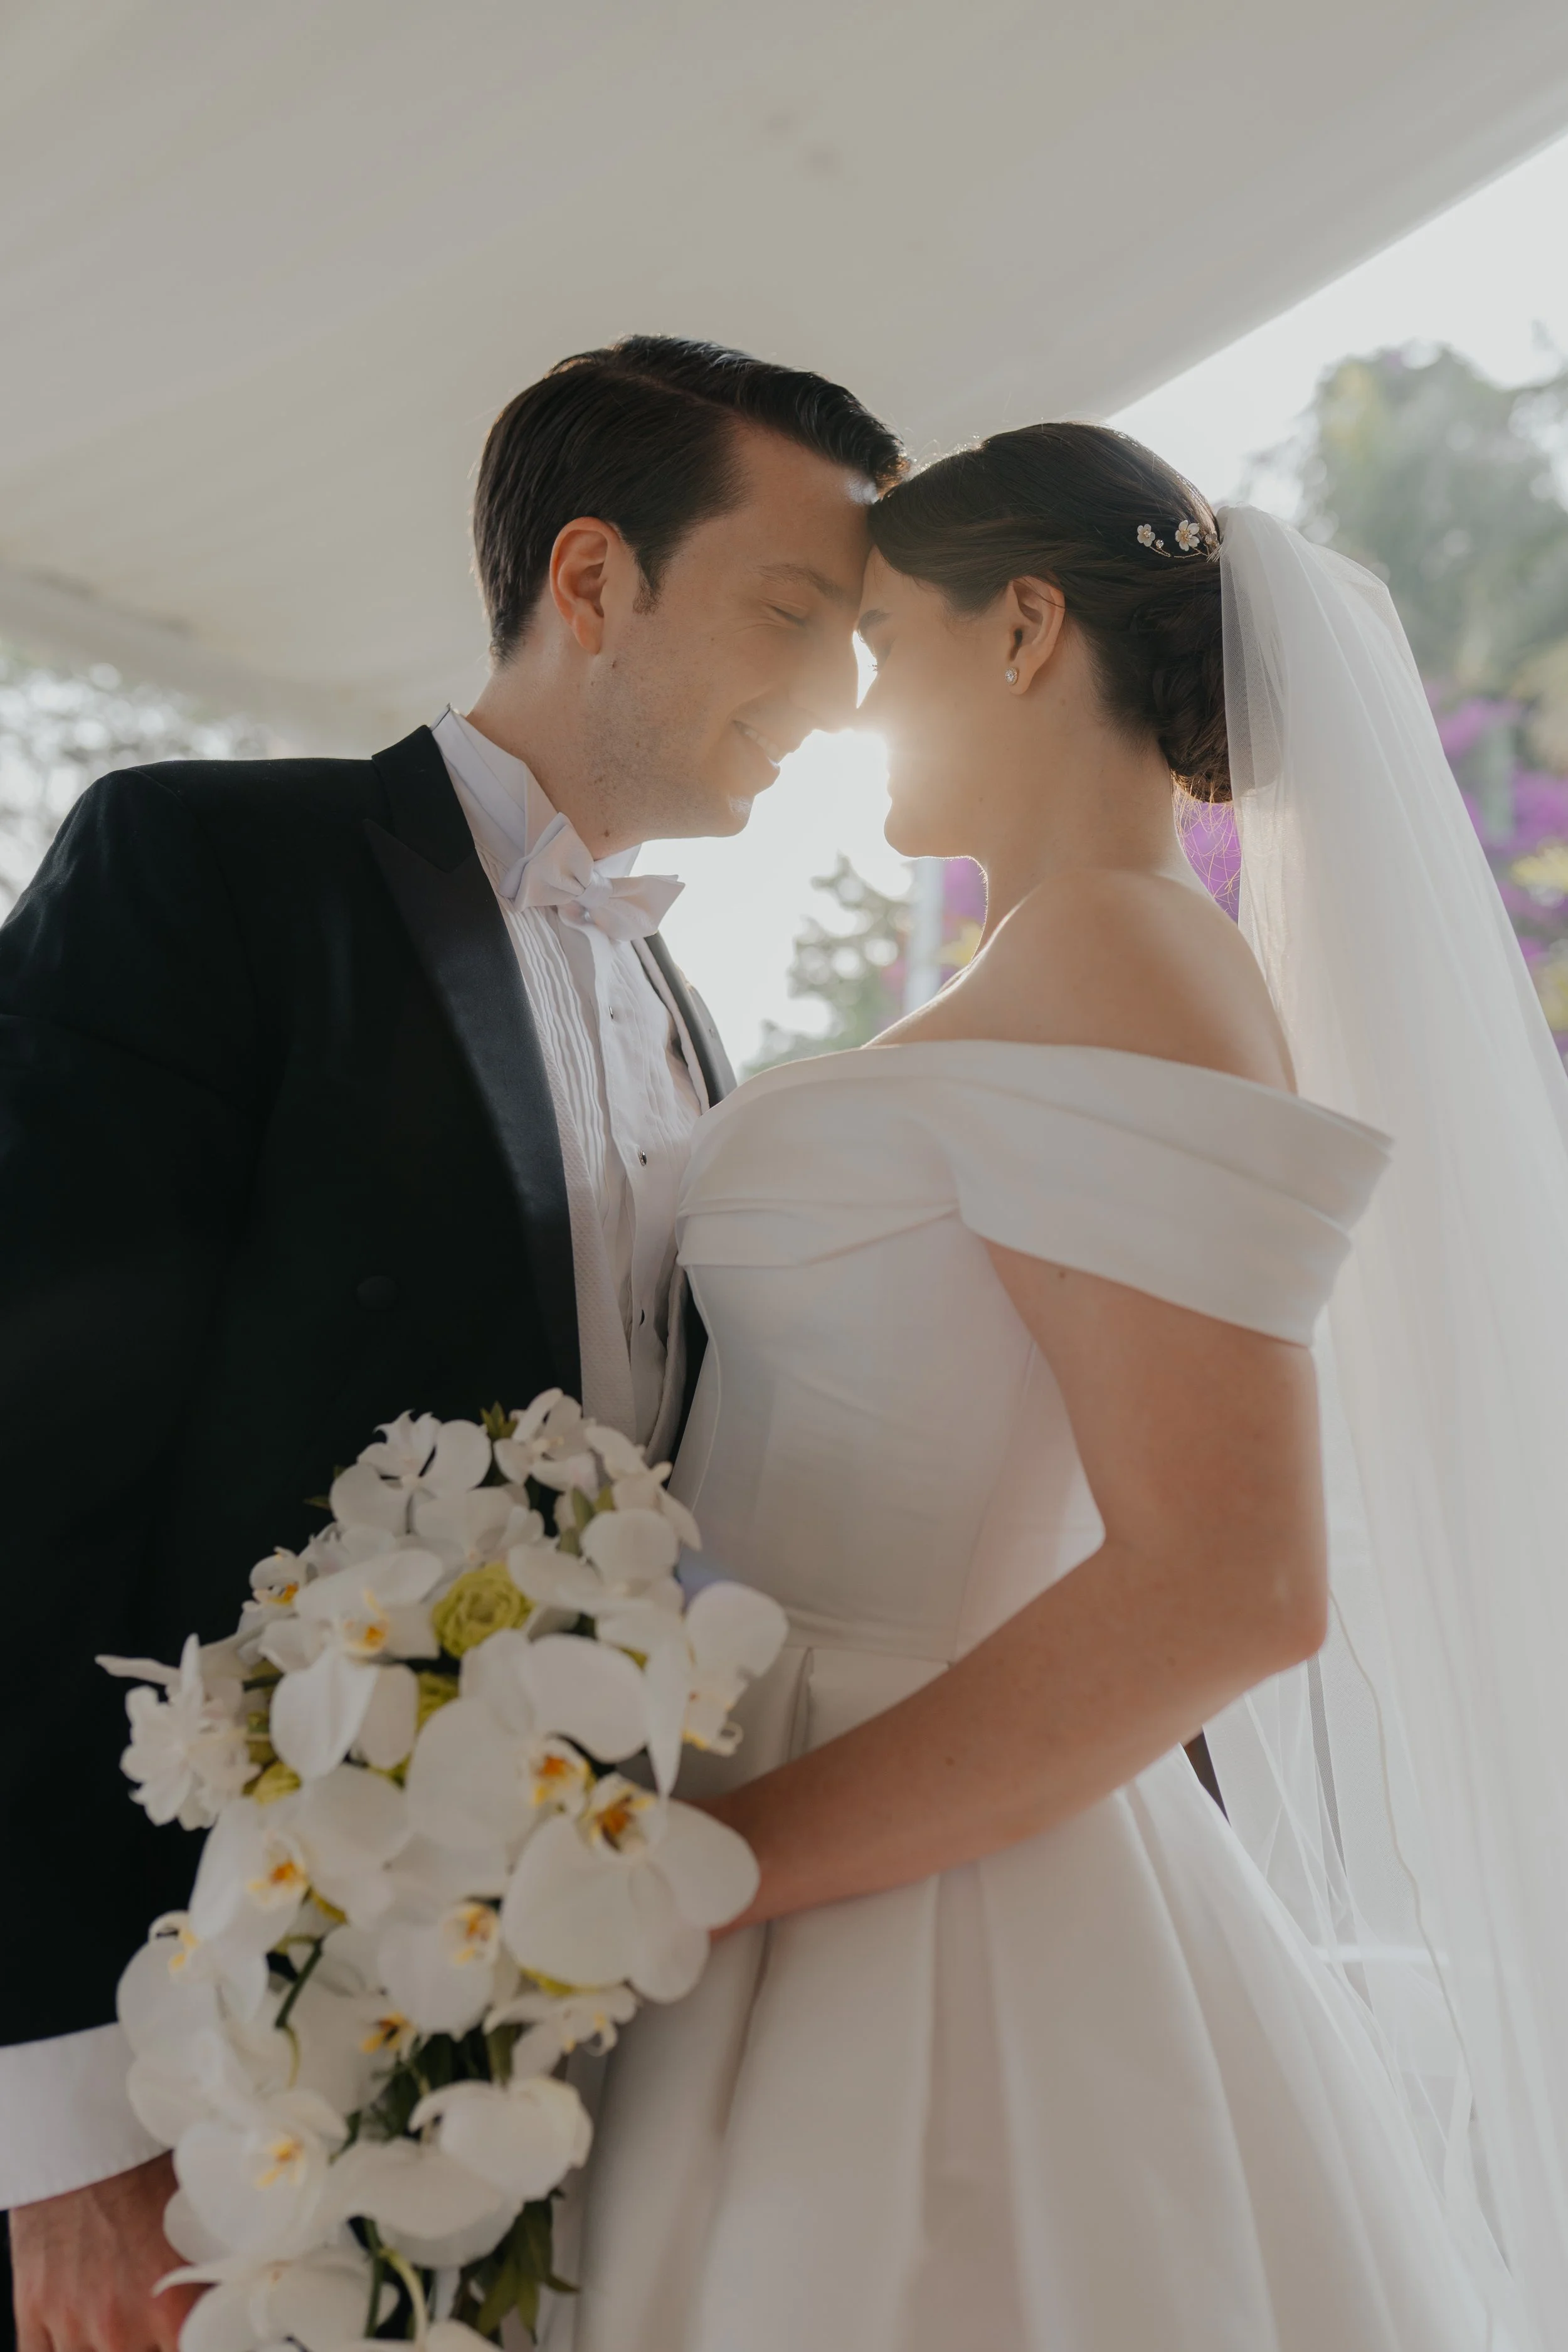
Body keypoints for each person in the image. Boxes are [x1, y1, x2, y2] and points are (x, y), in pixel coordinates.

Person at [563, 425, 1568, 2349]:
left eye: (876, 637)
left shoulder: (1117, 953)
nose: (841, 703)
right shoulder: (1056, 956)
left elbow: (1232, 1576)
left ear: (1022, 627)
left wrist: (714, 1870)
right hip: (819, 1799)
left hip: (908, 1883)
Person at [0, 334, 903, 2352]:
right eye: (793, 611)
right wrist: (53, 2126)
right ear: (593, 581)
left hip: (561, 2019)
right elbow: (23, 1483)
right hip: (192, 2034)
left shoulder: (690, 1009)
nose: (839, 694)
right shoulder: (210, 871)